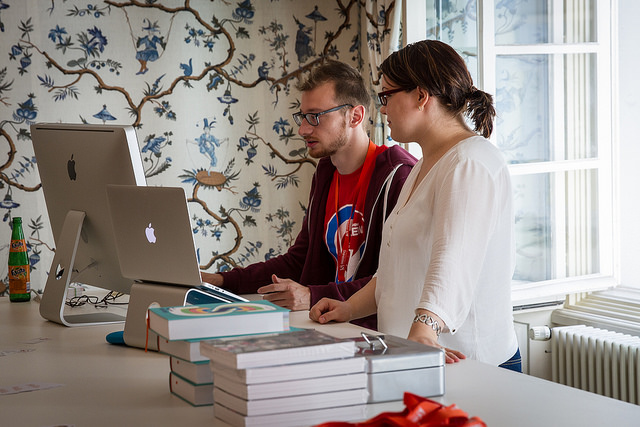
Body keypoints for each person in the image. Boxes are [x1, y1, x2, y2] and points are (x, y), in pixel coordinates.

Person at [309, 40, 521, 371]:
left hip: (468, 362)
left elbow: (453, 260)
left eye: (387, 96)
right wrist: (348, 308)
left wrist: (424, 327)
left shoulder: (470, 163)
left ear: (421, 96)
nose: (382, 108)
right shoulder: (424, 165)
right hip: (414, 355)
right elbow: (396, 268)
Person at [201, 60, 417, 330]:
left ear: (355, 116)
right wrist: (221, 281)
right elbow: (299, 260)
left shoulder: (398, 174)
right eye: (302, 117)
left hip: (375, 333)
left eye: (315, 116)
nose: (303, 129)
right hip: (328, 325)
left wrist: (312, 295)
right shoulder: (326, 171)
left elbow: (395, 278)